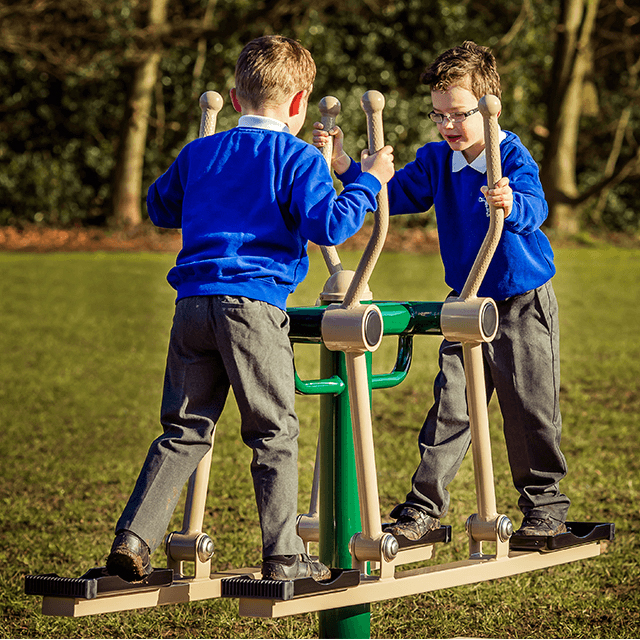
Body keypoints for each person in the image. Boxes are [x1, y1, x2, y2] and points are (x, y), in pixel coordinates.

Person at [106, 34, 395, 583]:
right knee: (272, 431)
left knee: (184, 428)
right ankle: (284, 556)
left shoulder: (199, 152)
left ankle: (134, 537)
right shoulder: (299, 157)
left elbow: (159, 206)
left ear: (235, 99)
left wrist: (208, 181)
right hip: (253, 307)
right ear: (298, 102)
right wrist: (367, 179)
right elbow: (329, 225)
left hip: (191, 305)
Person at [313, 40, 570, 540]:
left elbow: (536, 208)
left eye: (458, 115)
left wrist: (511, 203)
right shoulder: (436, 160)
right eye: (438, 116)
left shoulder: (510, 155)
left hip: (521, 302)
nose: (447, 126)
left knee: (530, 409)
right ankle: (424, 510)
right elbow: (393, 192)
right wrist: (346, 165)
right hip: (466, 303)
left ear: (489, 106)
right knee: (451, 409)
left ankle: (544, 505)